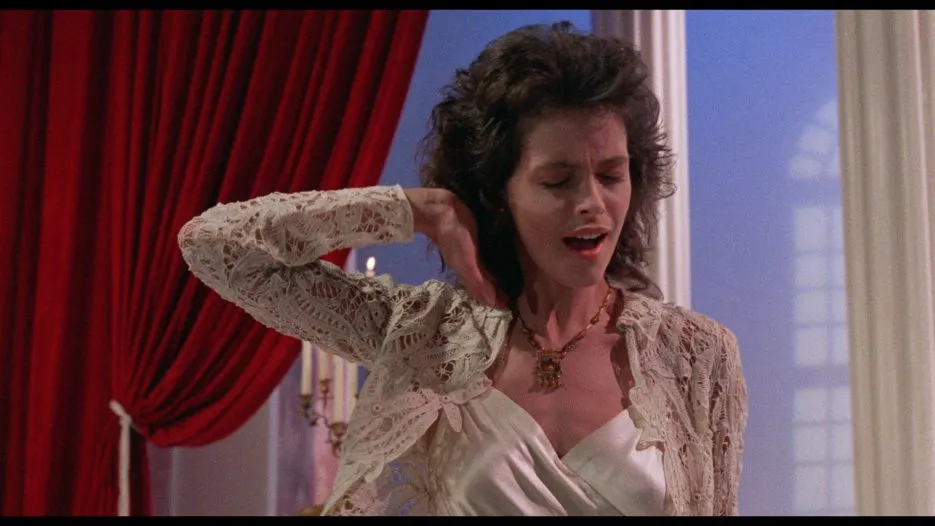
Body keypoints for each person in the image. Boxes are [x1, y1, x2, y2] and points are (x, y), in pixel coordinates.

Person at [178, 21, 748, 516]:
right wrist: (413, 210)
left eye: (611, 175)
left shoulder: (696, 356)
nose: (591, 203)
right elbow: (214, 245)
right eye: (558, 181)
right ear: (498, 194)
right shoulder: (424, 333)